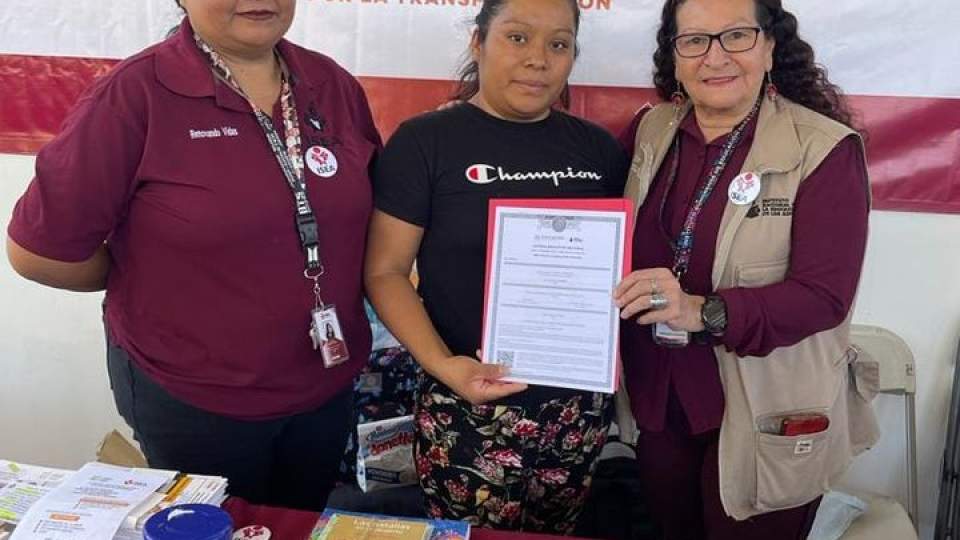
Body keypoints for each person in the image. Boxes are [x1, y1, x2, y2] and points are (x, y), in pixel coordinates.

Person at [6, 0, 380, 511]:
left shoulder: (330, 84)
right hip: (196, 398)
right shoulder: (136, 94)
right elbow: (38, 252)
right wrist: (148, 273)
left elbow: (371, 219)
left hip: (325, 380)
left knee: (299, 521)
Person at [612, 0, 879, 538]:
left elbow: (824, 295)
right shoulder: (651, 130)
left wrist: (700, 309)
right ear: (674, 55)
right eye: (694, 40)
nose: (715, 57)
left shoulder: (823, 149)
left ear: (770, 45)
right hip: (660, 401)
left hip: (766, 408)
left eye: (736, 36)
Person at [364, 0, 627, 533]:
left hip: (576, 411)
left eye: (558, 44)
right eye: (517, 38)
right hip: (464, 402)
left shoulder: (599, 151)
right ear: (478, 42)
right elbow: (384, 272)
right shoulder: (424, 142)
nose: (538, 60)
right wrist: (443, 365)